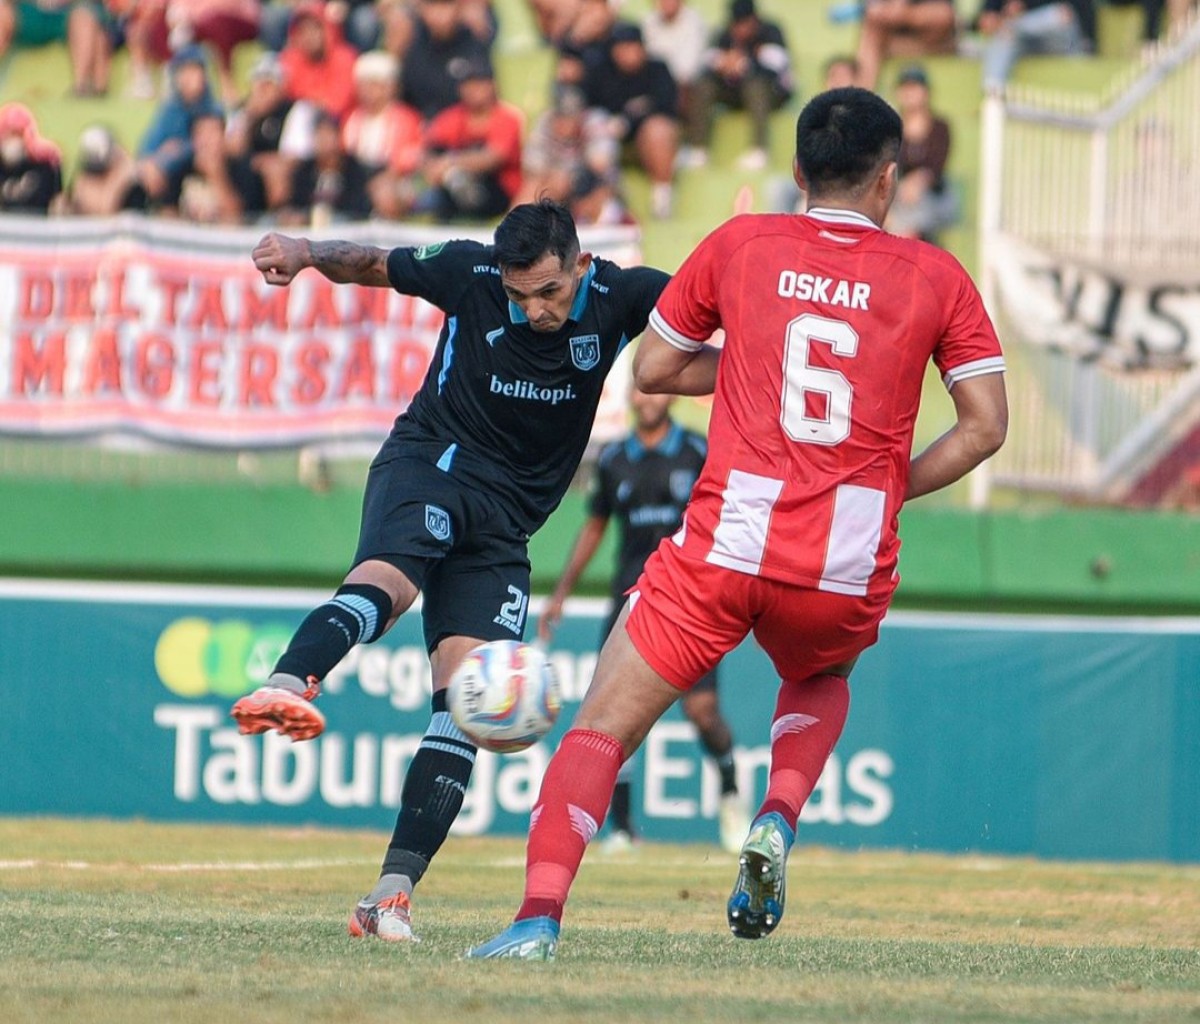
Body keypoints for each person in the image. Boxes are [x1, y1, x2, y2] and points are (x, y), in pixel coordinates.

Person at [469, 86, 1008, 961]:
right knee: (820, 676)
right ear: (889, 180)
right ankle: (774, 818)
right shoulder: (937, 275)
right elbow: (986, 425)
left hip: (725, 544)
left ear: (797, 171)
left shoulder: (743, 242)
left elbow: (652, 368)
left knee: (603, 724)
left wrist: (753, 355)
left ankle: (536, 921)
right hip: (840, 557)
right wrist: (880, 490)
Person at [229, 198, 670, 943]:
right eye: (519, 294)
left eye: (551, 292)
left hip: (505, 526)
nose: (535, 309)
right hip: (431, 464)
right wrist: (305, 249)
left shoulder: (623, 295)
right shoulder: (469, 272)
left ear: (583, 267)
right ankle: (285, 682)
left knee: (464, 707)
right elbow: (372, 263)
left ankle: (389, 896)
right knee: (389, 586)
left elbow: (720, 300)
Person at [539, 386, 749, 854]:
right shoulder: (614, 459)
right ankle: (621, 827)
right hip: (629, 601)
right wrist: (561, 594)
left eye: (659, 389)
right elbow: (595, 526)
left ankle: (732, 791)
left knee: (702, 712)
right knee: (612, 711)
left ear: (673, 396)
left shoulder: (697, 451)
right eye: (642, 387)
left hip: (690, 600)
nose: (649, 396)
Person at [680, 0, 794, 173]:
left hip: (771, 93)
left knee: (756, 84)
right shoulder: (724, 33)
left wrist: (744, 63)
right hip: (735, 92)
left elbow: (778, 64)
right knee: (703, 85)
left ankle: (759, 150)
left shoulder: (771, 31)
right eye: (736, 24)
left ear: (754, 21)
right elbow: (708, 60)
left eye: (744, 24)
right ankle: (698, 149)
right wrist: (723, 63)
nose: (740, 29)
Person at [582, 21, 679, 219]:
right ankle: (603, 203)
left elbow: (664, 106)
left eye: (631, 46)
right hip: (611, 142)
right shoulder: (602, 73)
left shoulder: (658, 70)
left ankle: (662, 194)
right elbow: (591, 107)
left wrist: (628, 120)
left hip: (647, 138)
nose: (627, 53)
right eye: (621, 48)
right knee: (595, 127)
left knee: (658, 129)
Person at [418, 56, 523, 221]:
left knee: (458, 180)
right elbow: (429, 150)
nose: (471, 89)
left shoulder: (506, 117)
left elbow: (493, 158)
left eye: (477, 83)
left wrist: (450, 163)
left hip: (497, 191)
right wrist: (435, 167)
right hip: (451, 185)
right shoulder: (452, 116)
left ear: (491, 85)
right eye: (466, 84)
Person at [885, 64, 957, 244]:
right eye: (905, 88)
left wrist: (919, 180)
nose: (910, 93)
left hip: (932, 194)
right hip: (899, 194)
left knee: (920, 207)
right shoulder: (891, 127)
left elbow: (937, 165)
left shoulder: (940, 127)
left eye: (915, 87)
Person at [978, 0, 1095, 94]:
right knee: (1002, 39)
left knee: (1055, 16)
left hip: (1064, 44)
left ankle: (1015, 26)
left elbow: (1066, 16)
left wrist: (1013, 22)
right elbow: (986, 23)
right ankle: (993, 94)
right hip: (1022, 42)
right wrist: (1007, 15)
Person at [854, 0, 957, 91]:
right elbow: (874, 12)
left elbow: (946, 16)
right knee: (873, 28)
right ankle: (861, 97)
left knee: (942, 15)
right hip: (892, 34)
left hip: (932, 37)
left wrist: (903, 10)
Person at [641, 0, 709, 120]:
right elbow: (648, 58)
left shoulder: (694, 22)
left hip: (685, 84)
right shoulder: (649, 21)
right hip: (656, 82)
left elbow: (689, 66)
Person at [0, 102, 62, 213]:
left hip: (38, 226)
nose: (11, 141)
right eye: (7, 135)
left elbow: (57, 200)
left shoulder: (46, 164)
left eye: (17, 135)